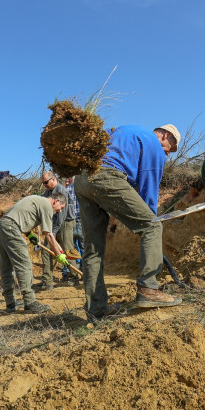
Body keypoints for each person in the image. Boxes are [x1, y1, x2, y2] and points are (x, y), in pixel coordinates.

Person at [74, 124, 181, 322]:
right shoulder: (154, 145)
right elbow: (148, 193)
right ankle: (148, 288)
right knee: (153, 226)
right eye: (170, 148)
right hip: (107, 176)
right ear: (166, 135)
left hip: (82, 179)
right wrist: (148, 223)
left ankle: (96, 310)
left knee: (93, 248)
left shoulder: (125, 132)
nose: (168, 154)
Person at [0, 192, 69, 314]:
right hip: (11, 228)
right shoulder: (47, 205)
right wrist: (59, 255)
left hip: (3, 225)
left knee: (7, 267)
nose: (60, 211)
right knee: (24, 265)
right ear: (56, 201)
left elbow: (21, 216)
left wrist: (29, 234)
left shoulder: (37, 200)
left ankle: (10, 303)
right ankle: (30, 303)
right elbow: (49, 235)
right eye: (61, 207)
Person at [37, 171, 80, 290]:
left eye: (46, 182)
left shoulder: (62, 191)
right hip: (54, 223)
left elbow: (62, 215)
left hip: (66, 222)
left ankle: (74, 277)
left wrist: (53, 232)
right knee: (46, 250)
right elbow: (43, 198)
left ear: (53, 179)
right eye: (43, 183)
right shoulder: (49, 191)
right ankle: (47, 280)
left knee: (67, 249)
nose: (45, 185)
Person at [61, 176, 83, 281]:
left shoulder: (65, 190)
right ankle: (85, 273)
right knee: (84, 249)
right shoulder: (83, 190)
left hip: (69, 223)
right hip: (82, 222)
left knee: (69, 249)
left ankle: (68, 273)